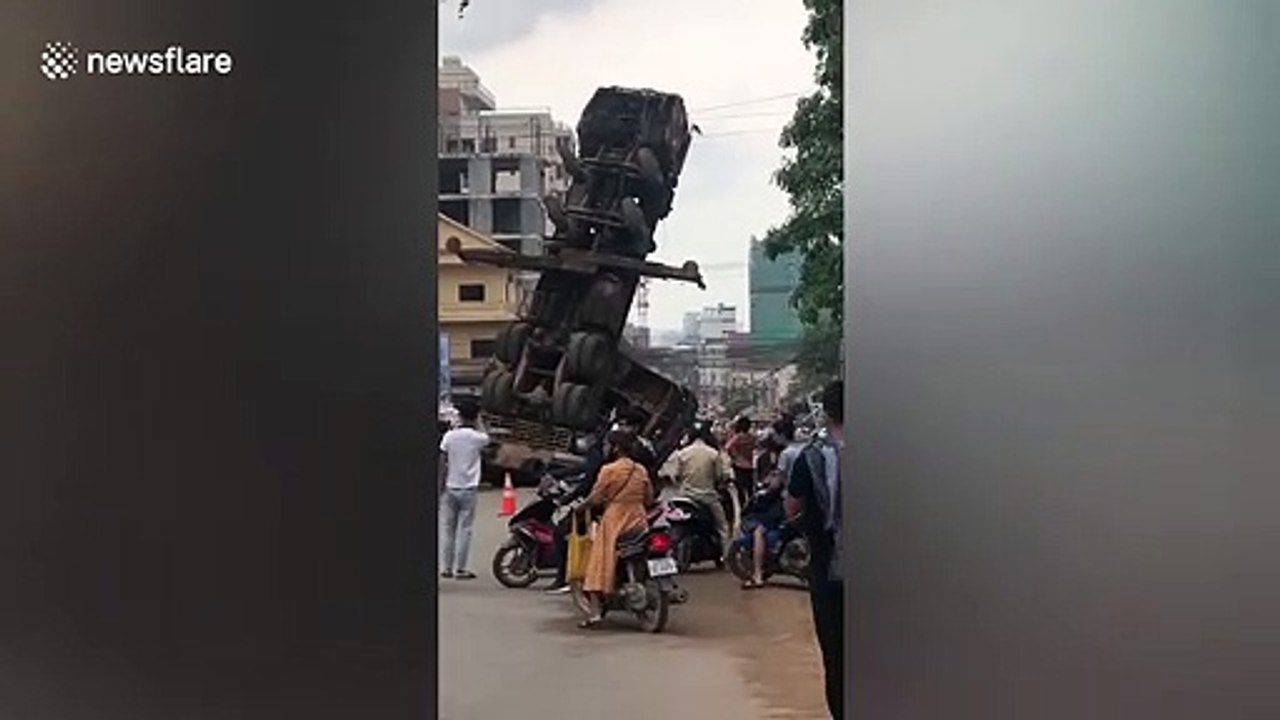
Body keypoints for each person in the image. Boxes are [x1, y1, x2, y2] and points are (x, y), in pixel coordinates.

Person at [784, 380, 845, 719]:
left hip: (828, 570)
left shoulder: (810, 457)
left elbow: (793, 509)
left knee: (837, 655)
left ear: (826, 411)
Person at [576, 429, 654, 628]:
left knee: (598, 565)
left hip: (615, 520)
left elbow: (596, 497)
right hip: (638, 520)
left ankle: (594, 612)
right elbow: (649, 498)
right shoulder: (641, 470)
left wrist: (582, 507)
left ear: (615, 448)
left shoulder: (608, 470)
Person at [659, 421, 733, 557]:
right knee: (723, 528)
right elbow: (720, 476)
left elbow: (674, 476)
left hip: (684, 496)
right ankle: (726, 556)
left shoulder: (682, 454)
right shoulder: (713, 454)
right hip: (707, 496)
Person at [438, 398, 491, 580]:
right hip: (469, 487)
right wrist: (480, 421)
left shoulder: (449, 437)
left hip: (450, 485)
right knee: (465, 529)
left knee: (448, 529)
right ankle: (461, 569)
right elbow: (487, 437)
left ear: (459, 416)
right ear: (474, 417)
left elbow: (443, 462)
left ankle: (446, 567)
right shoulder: (477, 438)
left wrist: (441, 485)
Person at [739, 432, 787, 589]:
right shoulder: (779, 458)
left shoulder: (779, 459)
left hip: (776, 505)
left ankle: (758, 574)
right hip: (778, 503)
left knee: (759, 531)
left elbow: (770, 484)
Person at [724, 416, 758, 508]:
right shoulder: (752, 438)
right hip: (750, 465)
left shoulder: (737, 438)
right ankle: (751, 505)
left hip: (739, 465)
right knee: (749, 487)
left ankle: (741, 506)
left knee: (740, 487)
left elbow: (727, 447)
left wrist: (735, 457)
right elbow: (756, 447)